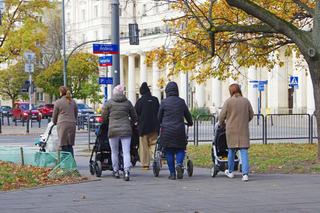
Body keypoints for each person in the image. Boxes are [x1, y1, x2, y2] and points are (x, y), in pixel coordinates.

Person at [101, 85, 138, 181]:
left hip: (113, 130)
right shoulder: (128, 103)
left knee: (114, 152)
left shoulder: (109, 103)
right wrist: (131, 123)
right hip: (126, 130)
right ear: (123, 93)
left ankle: (116, 171)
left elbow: (104, 117)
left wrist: (107, 122)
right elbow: (134, 116)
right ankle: (126, 171)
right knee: (126, 152)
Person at [219, 83, 254, 182]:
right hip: (243, 129)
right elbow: (251, 114)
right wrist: (245, 121)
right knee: (244, 152)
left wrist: (222, 124)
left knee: (231, 151)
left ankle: (230, 172)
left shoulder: (228, 102)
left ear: (231, 91)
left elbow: (221, 116)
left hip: (231, 130)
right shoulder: (246, 101)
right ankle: (245, 174)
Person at [158, 81, 193, 180]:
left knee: (169, 151)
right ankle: (179, 164)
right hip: (179, 130)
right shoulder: (181, 102)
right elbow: (188, 116)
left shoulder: (164, 102)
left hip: (167, 130)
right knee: (180, 149)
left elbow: (159, 117)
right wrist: (190, 123)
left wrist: (161, 122)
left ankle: (172, 173)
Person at [134, 82, 160, 170]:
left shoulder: (140, 101)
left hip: (143, 128)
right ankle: (157, 159)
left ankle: (145, 164)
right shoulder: (155, 100)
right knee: (154, 145)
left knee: (144, 147)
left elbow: (135, 114)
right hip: (154, 127)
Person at [52, 86, 78, 157]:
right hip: (72, 124)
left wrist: (54, 122)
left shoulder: (58, 102)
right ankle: (71, 161)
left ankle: (65, 162)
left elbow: (54, 115)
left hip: (62, 124)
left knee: (63, 144)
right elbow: (76, 114)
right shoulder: (73, 102)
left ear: (61, 93)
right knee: (70, 144)